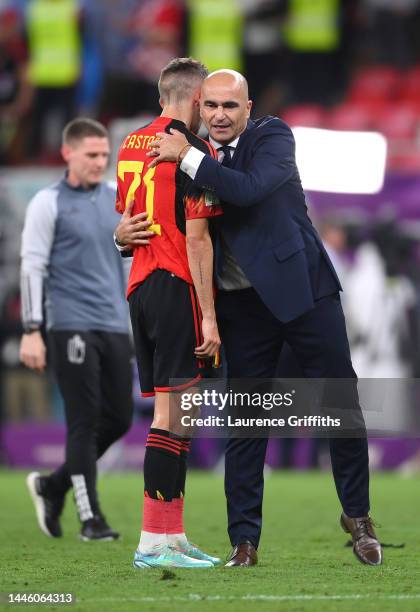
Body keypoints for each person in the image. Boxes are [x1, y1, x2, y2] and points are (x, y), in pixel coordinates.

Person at [137, 69, 383, 567]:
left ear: (248, 108)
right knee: (246, 423)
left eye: (231, 106)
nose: (221, 116)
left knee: (341, 403)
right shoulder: (190, 159)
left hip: (304, 294)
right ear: (200, 110)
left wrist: (184, 154)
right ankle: (244, 541)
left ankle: (357, 517)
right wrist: (125, 234)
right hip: (242, 308)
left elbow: (248, 190)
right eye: (211, 107)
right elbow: (169, 229)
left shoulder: (272, 136)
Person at [114, 57, 222, 569]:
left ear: (163, 96)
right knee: (171, 414)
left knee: (183, 414)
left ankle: (171, 535)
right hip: (175, 282)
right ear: (197, 99)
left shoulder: (132, 142)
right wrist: (209, 317)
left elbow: (127, 221)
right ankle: (152, 541)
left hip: (140, 286)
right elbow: (198, 241)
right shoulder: (191, 151)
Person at [20, 118, 133, 541]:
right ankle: (91, 519)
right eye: (91, 155)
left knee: (119, 419)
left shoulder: (116, 200)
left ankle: (53, 485)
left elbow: (125, 262)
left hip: (113, 322)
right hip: (70, 324)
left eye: (104, 155)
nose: (100, 162)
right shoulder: (47, 203)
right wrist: (33, 328)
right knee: (83, 422)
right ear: (67, 153)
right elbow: (33, 265)